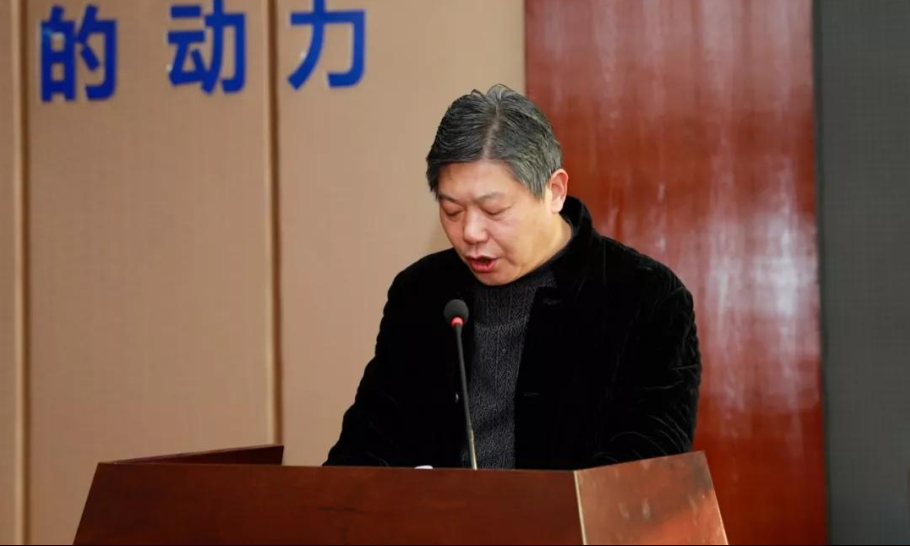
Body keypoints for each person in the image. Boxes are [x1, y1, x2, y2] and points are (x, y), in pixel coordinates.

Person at [325, 84, 701, 470]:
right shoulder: (421, 293)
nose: (470, 232)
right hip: (437, 512)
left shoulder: (645, 297)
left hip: (573, 512)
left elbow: (648, 464)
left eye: (494, 211)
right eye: (452, 211)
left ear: (554, 191)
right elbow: (367, 443)